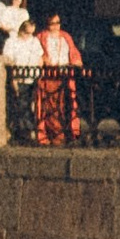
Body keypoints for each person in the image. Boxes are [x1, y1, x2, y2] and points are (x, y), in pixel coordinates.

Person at [33, 9, 84, 146]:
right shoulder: (41, 36)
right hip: (49, 76)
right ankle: (49, 136)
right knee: (48, 106)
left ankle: (64, 135)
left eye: (58, 23)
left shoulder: (66, 36)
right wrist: (43, 59)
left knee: (64, 106)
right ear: (47, 24)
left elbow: (73, 52)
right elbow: (36, 53)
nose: (56, 26)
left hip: (64, 76)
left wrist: (76, 62)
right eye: (52, 23)